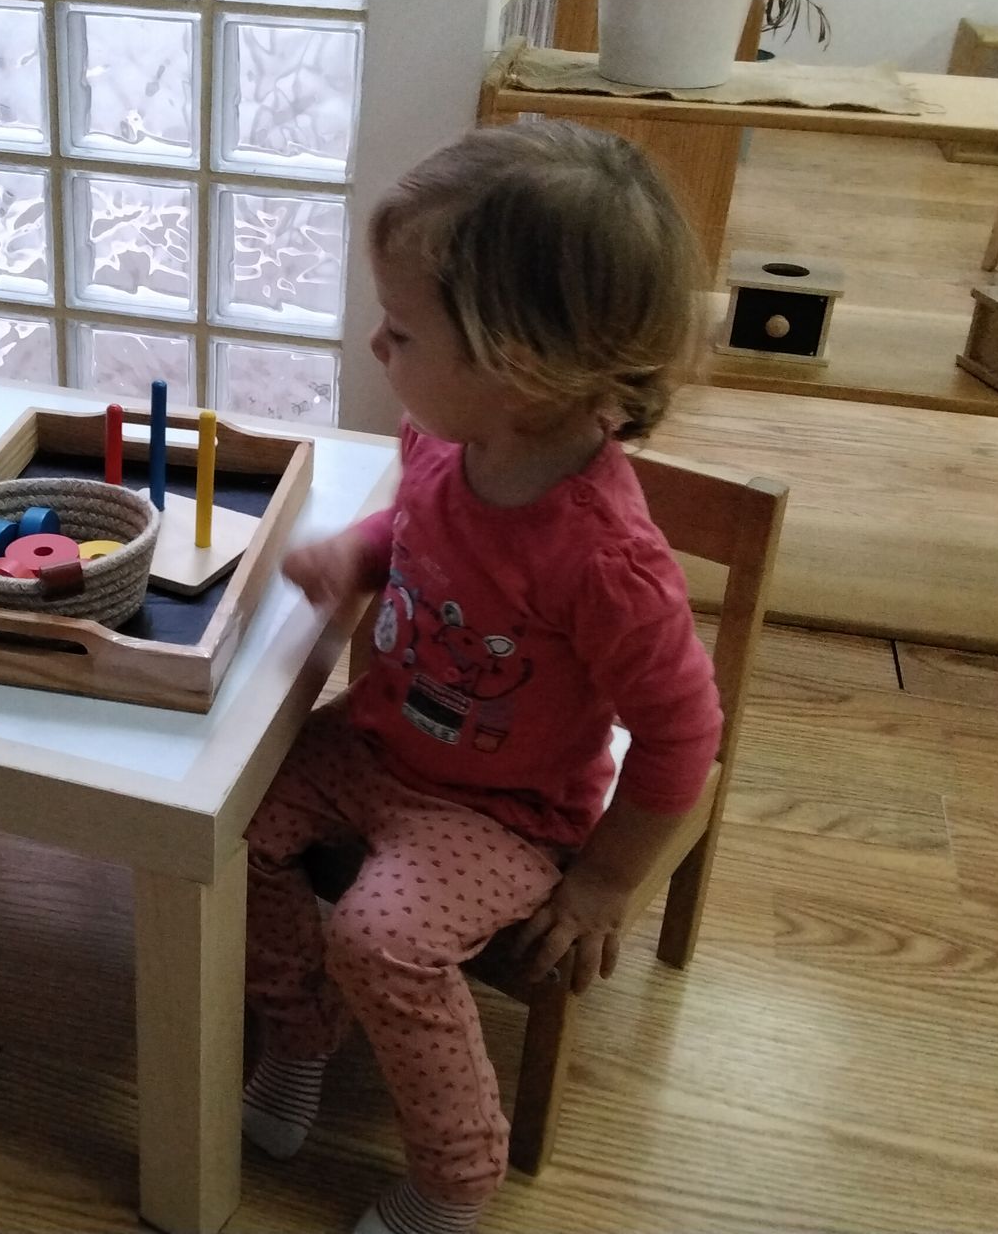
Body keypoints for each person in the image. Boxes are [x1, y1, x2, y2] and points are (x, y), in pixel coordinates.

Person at [243, 122, 724, 1234]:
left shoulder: (604, 559)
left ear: (520, 366)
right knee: (235, 822)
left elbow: (684, 735)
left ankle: (457, 1177)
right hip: (376, 743)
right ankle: (301, 1040)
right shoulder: (442, 439)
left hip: (504, 815)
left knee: (378, 940)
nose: (376, 344)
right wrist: (357, 554)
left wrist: (606, 883)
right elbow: (415, 530)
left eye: (403, 330)